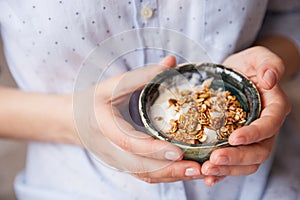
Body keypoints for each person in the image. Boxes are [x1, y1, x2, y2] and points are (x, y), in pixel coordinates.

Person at [0, 0, 299, 199]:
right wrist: (77, 121)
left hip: (263, 183)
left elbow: (289, 16)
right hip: (73, 185)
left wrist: (266, 70)